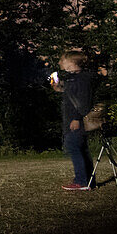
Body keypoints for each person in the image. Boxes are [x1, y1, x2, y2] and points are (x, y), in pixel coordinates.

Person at [50, 50, 94, 191]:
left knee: (74, 148)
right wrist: (57, 86)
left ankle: (81, 181)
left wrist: (76, 118)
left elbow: (83, 101)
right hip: (72, 119)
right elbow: (69, 93)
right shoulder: (72, 78)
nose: (60, 63)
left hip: (75, 120)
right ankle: (89, 181)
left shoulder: (81, 79)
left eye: (62, 60)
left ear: (71, 62)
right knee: (81, 149)